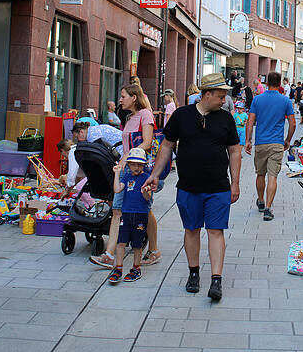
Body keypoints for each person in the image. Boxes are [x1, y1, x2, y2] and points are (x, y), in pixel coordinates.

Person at [145, 73, 241, 301]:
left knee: (216, 231)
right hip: (188, 186)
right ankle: (194, 273)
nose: (224, 100)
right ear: (207, 95)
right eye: (220, 96)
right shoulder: (181, 116)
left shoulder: (226, 119)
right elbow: (167, 146)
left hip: (218, 187)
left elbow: (235, 151)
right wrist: (155, 175)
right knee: (192, 229)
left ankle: (216, 280)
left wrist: (235, 182)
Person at [90, 84, 160, 268]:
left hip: (139, 169)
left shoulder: (145, 114)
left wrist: (126, 159)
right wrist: (121, 161)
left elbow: (146, 143)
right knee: (117, 210)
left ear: (134, 97)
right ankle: (109, 254)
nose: (120, 100)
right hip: (126, 168)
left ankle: (153, 250)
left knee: (145, 209)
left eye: (123, 96)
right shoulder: (129, 117)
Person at [245, 72, 296, 221]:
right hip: (276, 143)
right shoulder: (285, 101)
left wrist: (248, 140)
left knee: (260, 174)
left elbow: (250, 121)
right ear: (280, 83)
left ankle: (260, 201)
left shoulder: (257, 99)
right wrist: (288, 140)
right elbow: (292, 123)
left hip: (261, 142)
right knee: (273, 176)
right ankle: (268, 208)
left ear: (266, 83)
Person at [108, 147, 152, 284]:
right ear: (128, 165)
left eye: (139, 165)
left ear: (144, 165)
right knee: (121, 242)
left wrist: (145, 190)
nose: (136, 167)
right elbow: (117, 189)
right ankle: (118, 268)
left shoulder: (147, 178)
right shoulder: (126, 177)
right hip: (126, 214)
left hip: (140, 215)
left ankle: (136, 268)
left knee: (137, 244)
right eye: (133, 164)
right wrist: (116, 174)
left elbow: (147, 197)